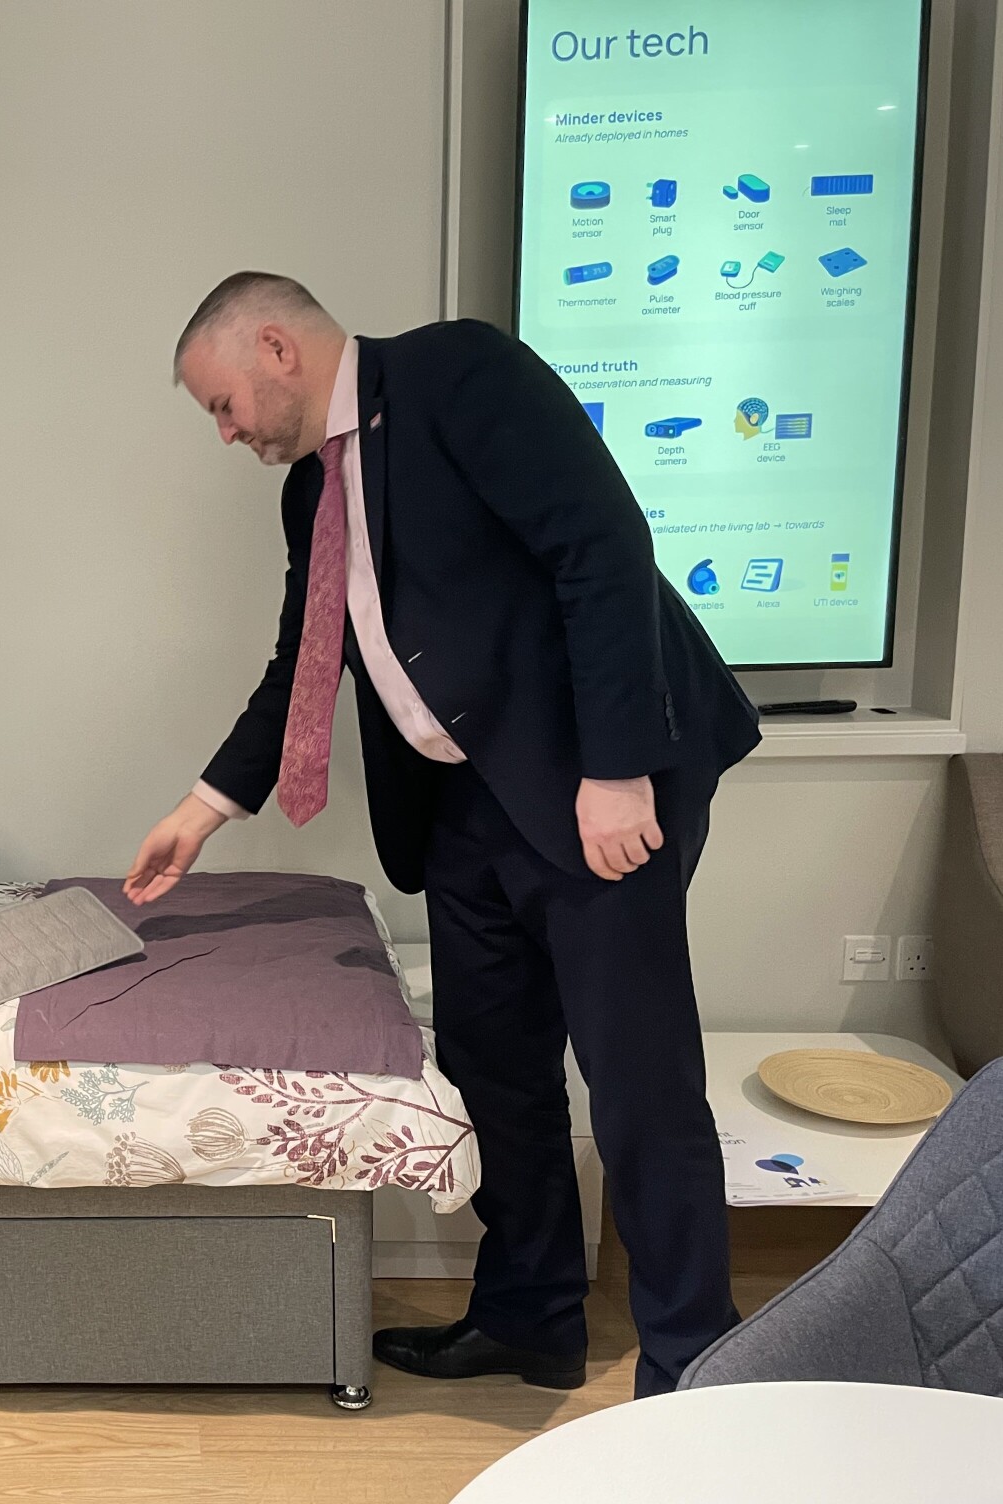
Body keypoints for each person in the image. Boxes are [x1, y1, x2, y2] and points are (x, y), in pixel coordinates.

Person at [125, 273, 760, 1398]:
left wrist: (616, 771)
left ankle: (693, 1363)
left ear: (274, 347)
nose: (225, 432)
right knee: (493, 1070)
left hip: (592, 788)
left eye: (221, 404)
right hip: (465, 809)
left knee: (638, 1085)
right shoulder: (311, 491)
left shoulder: (459, 374)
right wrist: (202, 808)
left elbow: (602, 547)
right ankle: (530, 1318)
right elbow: (305, 663)